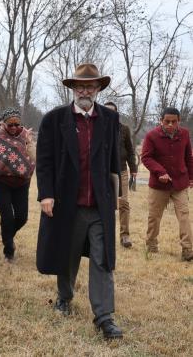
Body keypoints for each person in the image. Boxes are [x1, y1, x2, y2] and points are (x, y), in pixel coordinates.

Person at [36, 63, 123, 339]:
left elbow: (113, 164)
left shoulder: (110, 120)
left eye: (91, 85)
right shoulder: (54, 119)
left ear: (98, 88)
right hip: (67, 203)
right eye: (80, 85)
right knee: (68, 254)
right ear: (73, 88)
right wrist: (46, 193)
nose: (85, 90)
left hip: (99, 204)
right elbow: (45, 162)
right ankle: (64, 297)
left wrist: (116, 197)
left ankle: (104, 316)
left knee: (102, 258)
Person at [141, 107, 193, 261]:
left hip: (180, 183)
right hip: (158, 185)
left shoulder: (184, 134)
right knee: (154, 217)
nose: (170, 124)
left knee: (184, 216)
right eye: (167, 121)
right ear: (161, 120)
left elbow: (188, 157)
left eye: (174, 121)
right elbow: (146, 157)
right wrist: (160, 171)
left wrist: (191, 177)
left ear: (179, 121)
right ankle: (151, 245)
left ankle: (188, 250)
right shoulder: (151, 136)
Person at [0, 107, 36, 262]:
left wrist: (29, 144)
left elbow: (33, 156)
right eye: (11, 125)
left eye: (17, 124)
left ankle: (6, 234)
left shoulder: (26, 136)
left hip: (22, 182)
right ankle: (9, 249)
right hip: (1, 182)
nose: (14, 128)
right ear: (4, 124)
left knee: (22, 217)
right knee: (7, 217)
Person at [104, 102, 138, 248]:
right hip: (102, 172)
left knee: (123, 203)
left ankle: (125, 236)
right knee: (104, 204)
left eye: (112, 112)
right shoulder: (98, 128)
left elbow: (130, 150)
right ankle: (104, 235)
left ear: (116, 114)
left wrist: (134, 168)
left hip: (121, 171)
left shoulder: (124, 129)